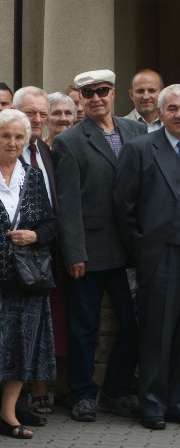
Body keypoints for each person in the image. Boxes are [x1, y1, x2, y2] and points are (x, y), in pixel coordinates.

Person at [53, 69, 145, 423]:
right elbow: (69, 202)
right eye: (87, 93)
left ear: (114, 93)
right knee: (83, 327)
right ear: (81, 98)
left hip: (131, 250)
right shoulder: (70, 141)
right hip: (89, 252)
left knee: (134, 324)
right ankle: (83, 394)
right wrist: (74, 252)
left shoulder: (136, 131)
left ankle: (116, 390)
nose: (96, 98)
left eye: (102, 91)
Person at [0, 109, 56, 443]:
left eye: (19, 137)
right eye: (6, 135)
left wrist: (35, 236)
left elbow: (50, 222)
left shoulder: (32, 175)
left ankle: (8, 413)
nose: (13, 142)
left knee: (22, 345)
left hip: (27, 279)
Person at [114, 83, 180, 430]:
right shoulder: (140, 149)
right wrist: (142, 247)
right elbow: (123, 207)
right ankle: (152, 403)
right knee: (156, 331)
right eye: (172, 108)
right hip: (159, 254)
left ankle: (176, 401)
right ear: (161, 111)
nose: (179, 114)